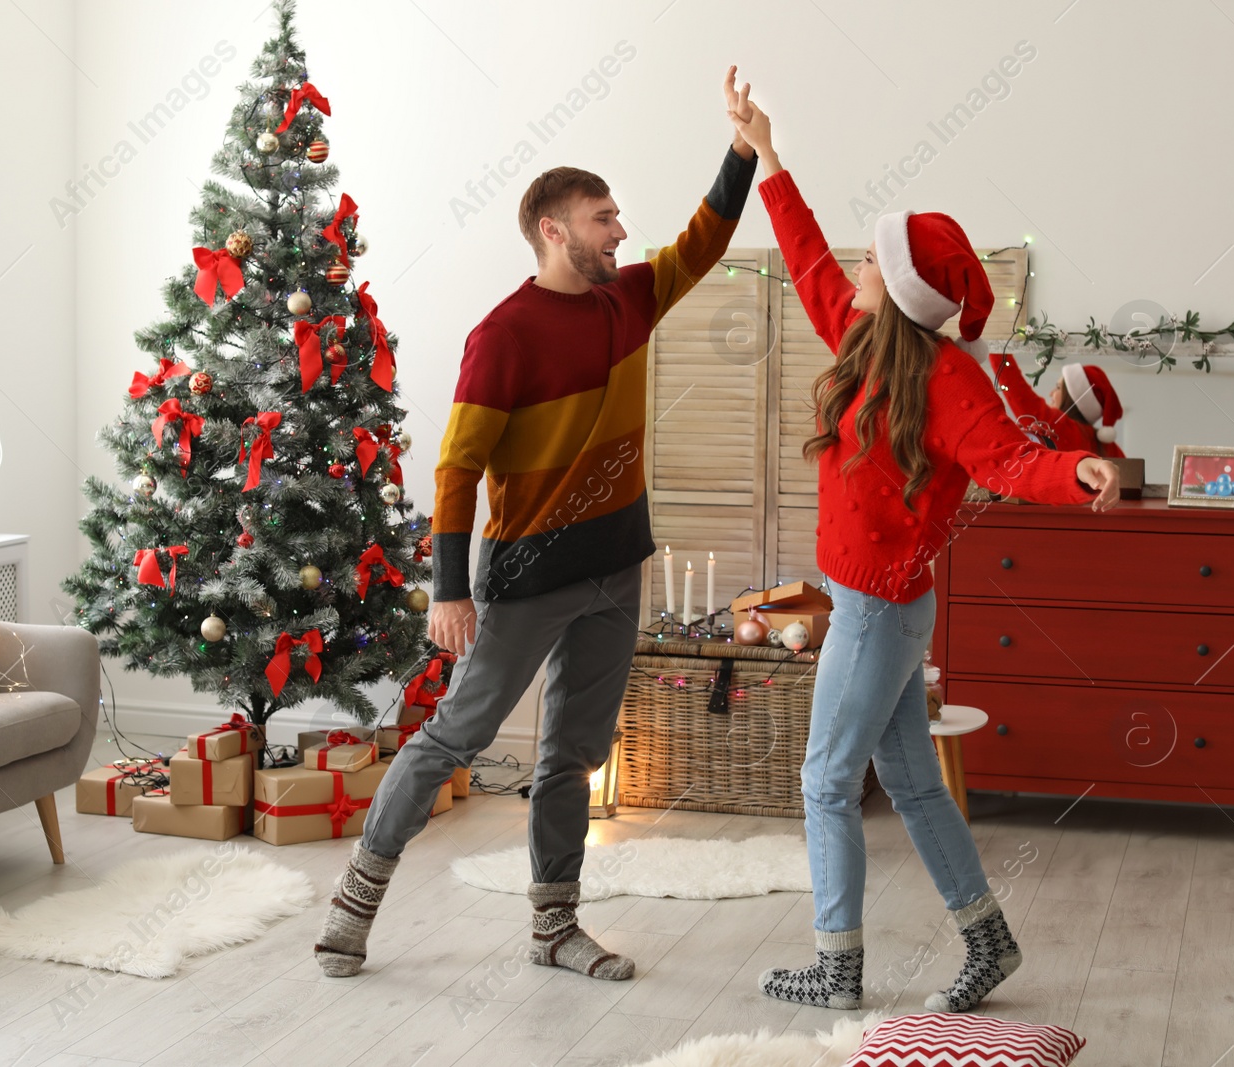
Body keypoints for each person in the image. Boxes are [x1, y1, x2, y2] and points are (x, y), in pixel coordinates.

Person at [313, 69, 761, 982]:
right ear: (555, 230)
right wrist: (446, 588)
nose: (621, 232)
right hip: (524, 579)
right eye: (604, 219)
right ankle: (356, 903)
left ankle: (554, 927)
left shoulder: (630, 299)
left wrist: (743, 150)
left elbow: (703, 243)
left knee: (572, 757)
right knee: (453, 739)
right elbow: (457, 468)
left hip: (615, 568)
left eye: (619, 220)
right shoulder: (504, 334)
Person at [724, 78, 1119, 1013]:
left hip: (880, 613)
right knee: (911, 781)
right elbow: (806, 249)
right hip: (879, 609)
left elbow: (1015, 462)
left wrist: (1079, 473)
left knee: (826, 781)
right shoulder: (859, 336)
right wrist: (765, 151)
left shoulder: (952, 385)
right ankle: (990, 941)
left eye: (877, 256)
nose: (858, 262)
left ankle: (837, 964)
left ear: (902, 288)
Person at [989, 352, 1127, 458]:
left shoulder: (1056, 425)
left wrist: (999, 342)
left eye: (1058, 388)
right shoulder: (1109, 447)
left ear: (1072, 398)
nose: (1051, 393)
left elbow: (1016, 389)